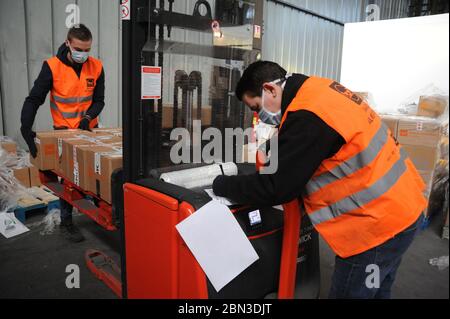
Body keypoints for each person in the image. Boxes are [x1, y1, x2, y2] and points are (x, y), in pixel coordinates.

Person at [212, 61, 427, 299]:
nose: (258, 115)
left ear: (270, 90)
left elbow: (276, 187)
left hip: (375, 231)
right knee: (377, 291)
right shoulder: (319, 90)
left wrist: (222, 184)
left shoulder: (307, 116)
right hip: (403, 210)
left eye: (256, 107)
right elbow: (320, 138)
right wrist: (279, 145)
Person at [20, 24, 105, 243]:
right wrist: (25, 127)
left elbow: (99, 101)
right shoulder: (52, 67)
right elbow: (34, 99)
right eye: (78, 49)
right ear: (68, 43)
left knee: (93, 172)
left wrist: (88, 118)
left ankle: (99, 213)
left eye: (87, 50)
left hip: (89, 130)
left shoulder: (96, 66)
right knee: (68, 179)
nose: (83, 54)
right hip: (64, 132)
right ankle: (66, 221)